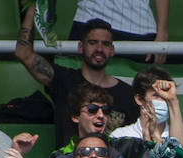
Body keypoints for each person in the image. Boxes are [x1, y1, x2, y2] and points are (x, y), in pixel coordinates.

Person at [15, 13, 139, 146]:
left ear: (112, 50)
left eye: (105, 44)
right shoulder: (63, 80)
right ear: (81, 47)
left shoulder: (127, 93)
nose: (99, 49)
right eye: (92, 42)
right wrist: (33, 8)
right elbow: (23, 53)